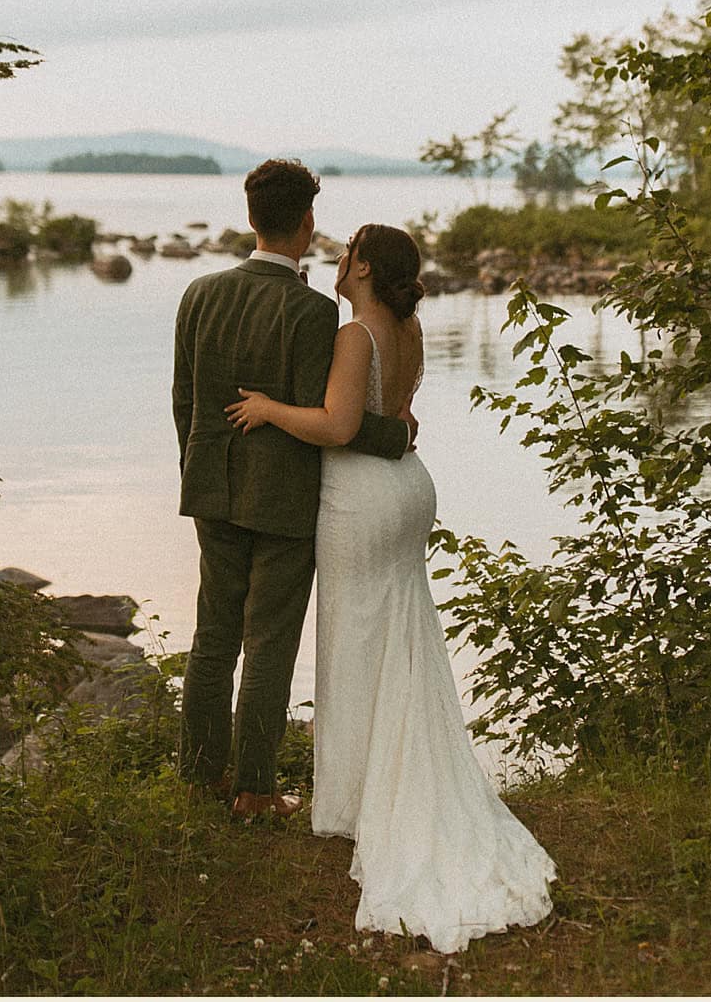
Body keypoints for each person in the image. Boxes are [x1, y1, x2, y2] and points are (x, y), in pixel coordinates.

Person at [225, 222, 556, 953]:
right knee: (401, 635)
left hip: (363, 498)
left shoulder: (356, 335)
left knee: (358, 639)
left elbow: (342, 425)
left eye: (344, 255)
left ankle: (358, 801)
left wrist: (269, 409)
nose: (335, 261)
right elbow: (400, 418)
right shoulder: (408, 327)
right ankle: (379, 785)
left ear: (364, 267)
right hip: (409, 490)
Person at [171, 160, 413, 820]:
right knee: (269, 643)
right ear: (306, 223)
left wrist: (199, 471)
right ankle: (254, 789)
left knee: (213, 637)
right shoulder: (311, 310)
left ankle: (198, 779)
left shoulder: (198, 293)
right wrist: (395, 436)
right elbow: (327, 419)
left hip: (212, 491)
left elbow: (184, 403)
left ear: (251, 217)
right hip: (282, 502)